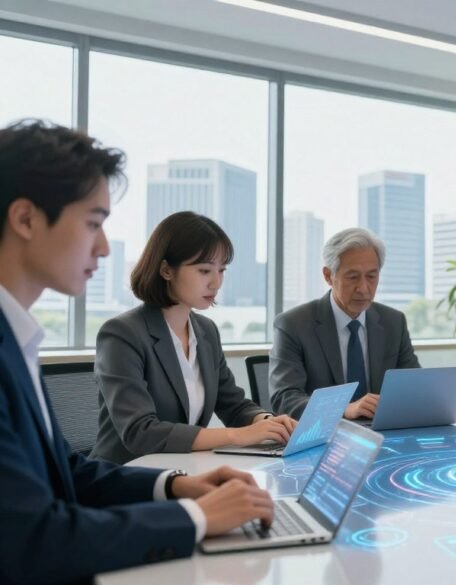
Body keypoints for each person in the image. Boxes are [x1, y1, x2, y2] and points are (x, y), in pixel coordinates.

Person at [0, 120, 274, 584]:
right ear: (25, 218)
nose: (105, 247)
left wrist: (177, 486)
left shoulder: (18, 339)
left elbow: (66, 470)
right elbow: (32, 538)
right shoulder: (106, 333)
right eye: (93, 223)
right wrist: (198, 518)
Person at [93, 211, 297, 464]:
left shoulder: (206, 331)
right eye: (204, 270)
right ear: (167, 270)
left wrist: (267, 422)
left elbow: (233, 404)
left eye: (221, 270)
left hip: (183, 468)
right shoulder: (122, 334)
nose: (216, 282)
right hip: (126, 476)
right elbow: (140, 432)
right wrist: (237, 436)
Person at [270, 227, 420, 419]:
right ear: (328, 276)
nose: (363, 288)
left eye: (371, 276)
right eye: (353, 277)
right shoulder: (293, 324)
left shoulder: (393, 322)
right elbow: (285, 398)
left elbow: (413, 389)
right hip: (323, 437)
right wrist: (343, 409)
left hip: (383, 436)